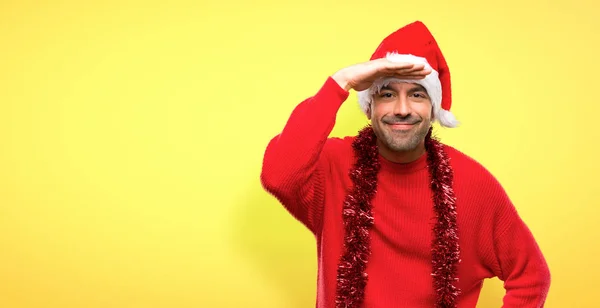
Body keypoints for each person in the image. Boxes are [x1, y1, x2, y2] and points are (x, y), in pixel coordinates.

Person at [260, 21, 550, 308]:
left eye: (417, 94)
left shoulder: (472, 183)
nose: (402, 109)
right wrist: (342, 81)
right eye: (387, 94)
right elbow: (277, 175)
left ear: (433, 109)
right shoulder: (333, 166)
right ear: (369, 106)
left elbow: (531, 276)